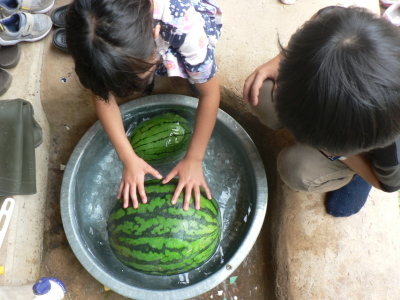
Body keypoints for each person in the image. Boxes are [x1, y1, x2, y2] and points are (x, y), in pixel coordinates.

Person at [65, 0, 222, 210]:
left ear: (155, 34)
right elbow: (102, 95)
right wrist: (128, 158)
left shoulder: (184, 27)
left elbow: (211, 95)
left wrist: (194, 158)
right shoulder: (97, 43)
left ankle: (194, 75)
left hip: (194, 14)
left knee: (200, 78)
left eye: (141, 75)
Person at [243, 6, 400, 217]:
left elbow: (389, 184)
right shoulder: (341, 29)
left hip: (368, 149)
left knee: (297, 169)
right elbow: (322, 15)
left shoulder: (392, 147)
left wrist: (341, 154)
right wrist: (280, 60)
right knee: (260, 93)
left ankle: (358, 176)